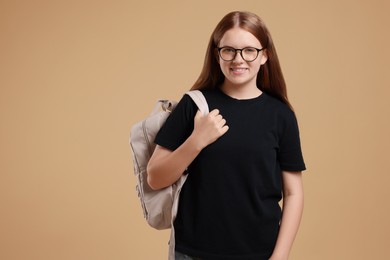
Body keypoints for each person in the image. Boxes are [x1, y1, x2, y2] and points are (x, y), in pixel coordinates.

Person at [147, 11, 306, 260]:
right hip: (193, 253)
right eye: (228, 50)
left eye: (249, 50)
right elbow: (155, 178)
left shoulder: (280, 115)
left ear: (265, 55)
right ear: (216, 54)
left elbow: (294, 192)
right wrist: (197, 140)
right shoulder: (195, 105)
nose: (238, 59)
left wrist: (280, 256)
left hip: (260, 253)